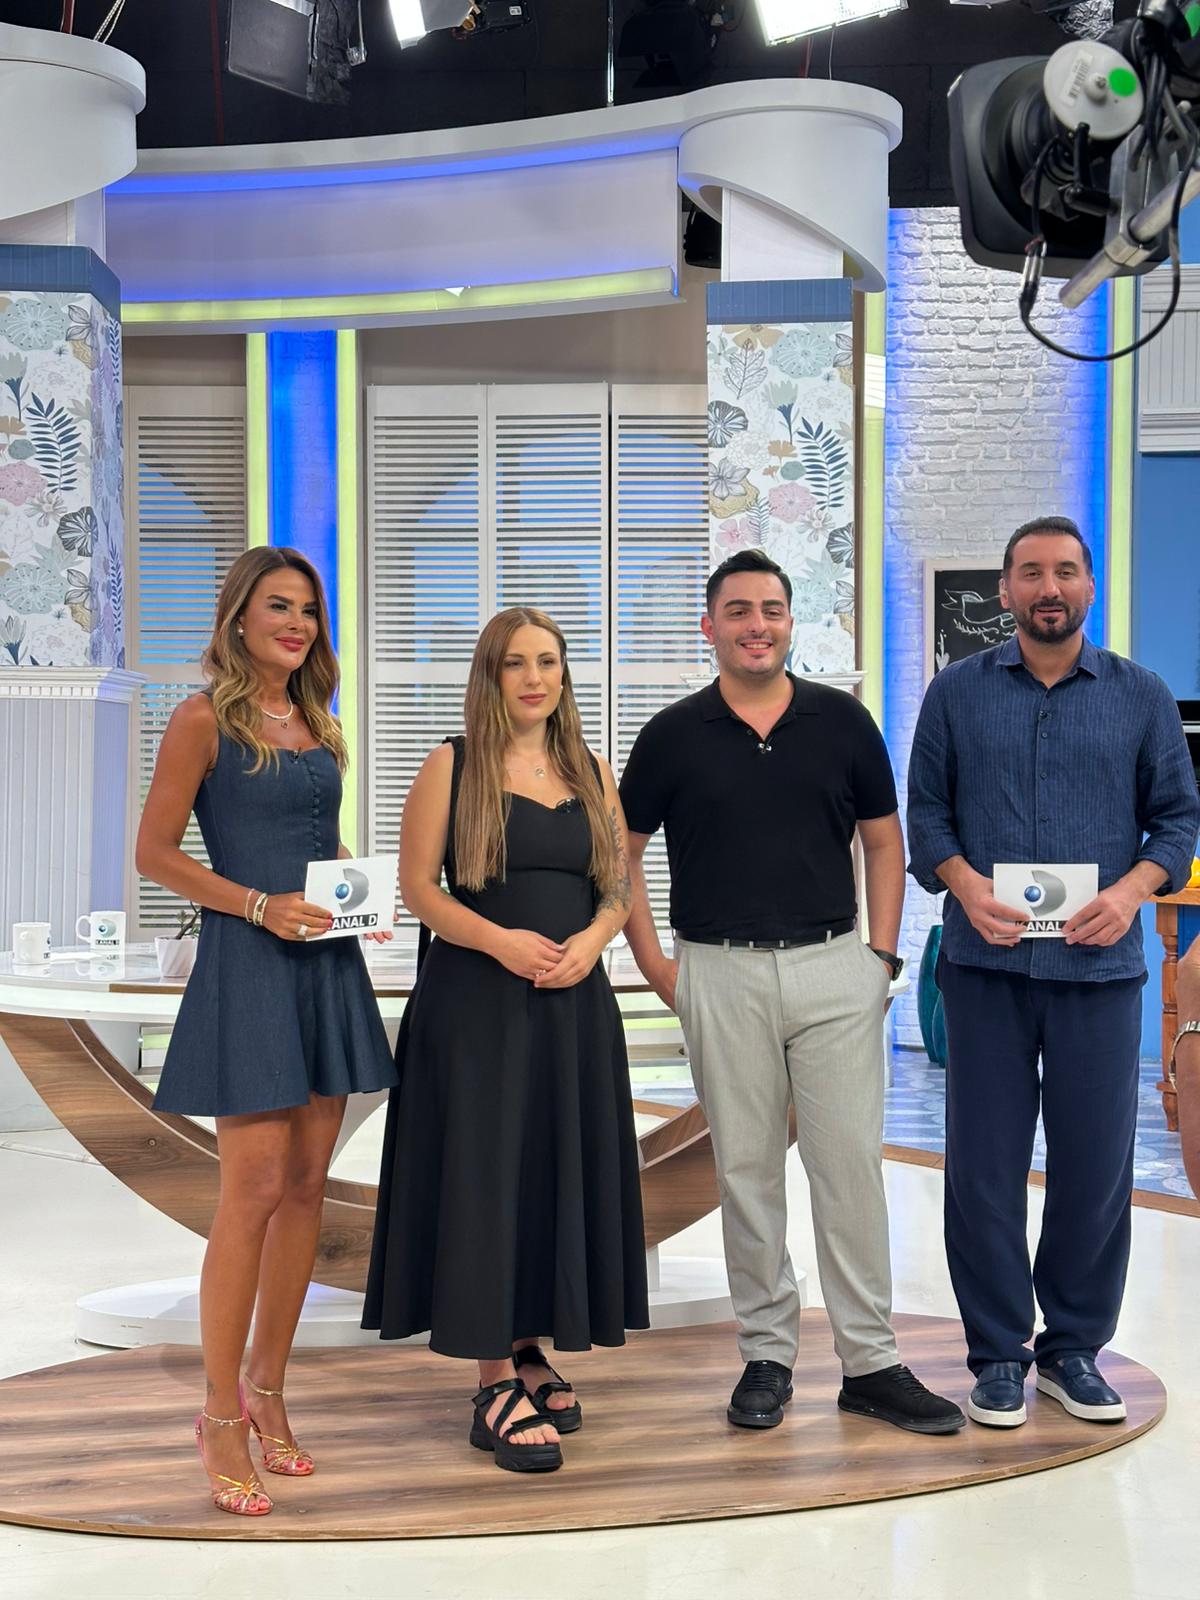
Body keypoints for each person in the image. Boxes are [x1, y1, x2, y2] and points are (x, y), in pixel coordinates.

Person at [619, 547, 964, 1436]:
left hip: (834, 968)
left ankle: (871, 1363)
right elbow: (621, 851)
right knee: (746, 1173)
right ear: (710, 626)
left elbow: (883, 842)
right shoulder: (671, 734)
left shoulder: (842, 722)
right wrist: (655, 964)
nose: (756, 625)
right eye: (738, 611)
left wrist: (880, 958)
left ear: (789, 622)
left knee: (848, 1168)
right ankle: (766, 1356)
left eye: (771, 609)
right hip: (718, 969)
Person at [908, 515, 1200, 1428]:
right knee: (983, 1169)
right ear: (1005, 590)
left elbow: (1178, 821)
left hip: (1100, 970)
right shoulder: (955, 694)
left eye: (1065, 572)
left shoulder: (1141, 695)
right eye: (1031, 572)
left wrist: (1133, 891)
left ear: (1089, 587)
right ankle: (998, 1354)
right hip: (984, 968)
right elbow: (926, 818)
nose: (1049, 588)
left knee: (1095, 1166)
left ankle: (1073, 1349)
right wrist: (964, 885)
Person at [137, 546, 397, 1517]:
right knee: (249, 1188)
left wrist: (360, 893)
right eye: (279, 606)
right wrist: (256, 904)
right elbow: (155, 852)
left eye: (308, 610)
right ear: (240, 617)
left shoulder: (320, 722)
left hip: (325, 965)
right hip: (247, 965)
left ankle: (269, 1390)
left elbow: (318, 842)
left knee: (304, 1188)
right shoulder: (203, 718)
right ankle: (217, 1417)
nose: (297, 624)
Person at [363, 606, 647, 1474]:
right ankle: (491, 1380)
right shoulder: (451, 764)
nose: (534, 678)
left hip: (573, 1005)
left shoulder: (591, 769)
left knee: (548, 1170)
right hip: (477, 1007)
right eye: (516, 663)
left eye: (548, 662)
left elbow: (618, 886)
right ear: (490, 675)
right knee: (485, 1178)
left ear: (564, 675)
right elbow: (420, 888)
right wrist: (500, 943)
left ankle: (527, 1348)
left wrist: (593, 944)